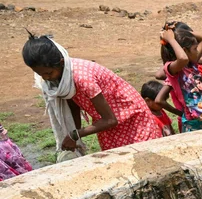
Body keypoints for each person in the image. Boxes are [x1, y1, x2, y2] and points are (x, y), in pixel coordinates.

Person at [23, 33, 161, 160]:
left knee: (143, 159)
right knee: (118, 161)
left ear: (61, 62)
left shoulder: (82, 78)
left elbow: (110, 120)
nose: (46, 78)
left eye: (48, 73)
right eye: (41, 75)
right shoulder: (63, 78)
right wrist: (74, 136)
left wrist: (75, 135)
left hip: (131, 118)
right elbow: (73, 104)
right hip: (106, 121)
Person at [158, 23, 202, 132]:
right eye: (195, 49)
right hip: (194, 123)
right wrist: (171, 39)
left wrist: (178, 32)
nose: (198, 52)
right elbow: (182, 59)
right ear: (185, 50)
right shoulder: (172, 67)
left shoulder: (192, 62)